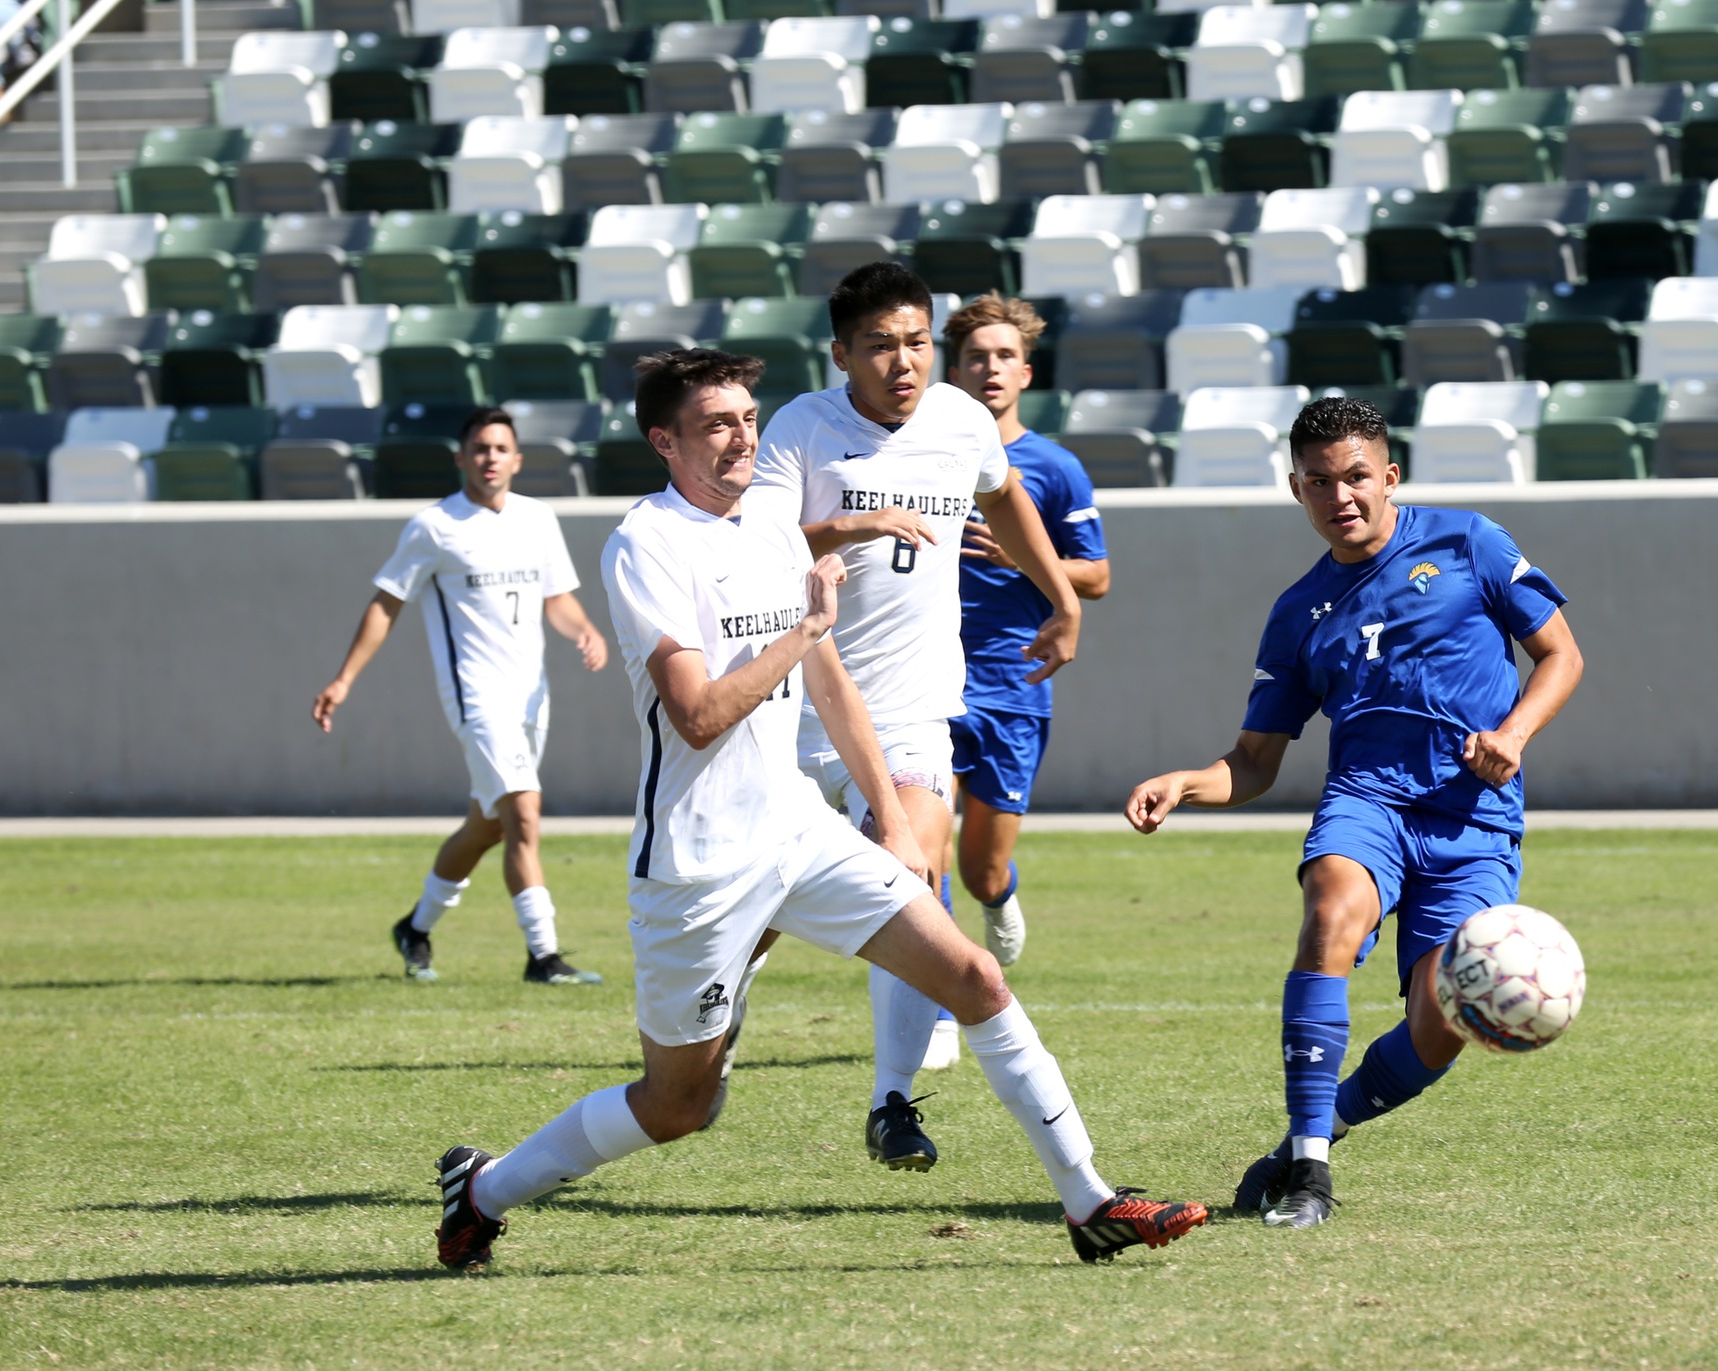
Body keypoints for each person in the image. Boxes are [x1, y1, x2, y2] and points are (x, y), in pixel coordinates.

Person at [432, 347, 1205, 1271]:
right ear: (663, 441)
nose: (741, 437)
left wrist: (888, 812)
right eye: (716, 423)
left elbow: (828, 677)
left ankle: (1091, 1203)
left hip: (798, 830)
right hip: (699, 866)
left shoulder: (767, 515)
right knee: (683, 1105)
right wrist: (805, 629)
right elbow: (700, 713)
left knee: (978, 980)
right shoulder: (644, 542)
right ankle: (481, 1190)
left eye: (748, 418)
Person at [1124, 396, 1586, 1230]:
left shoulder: (1469, 542)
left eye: (1358, 477)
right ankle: (1310, 1171)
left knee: (1442, 1024)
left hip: (1472, 818)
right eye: (1320, 482)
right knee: (1330, 912)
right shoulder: (1297, 612)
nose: (1342, 495)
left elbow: (1562, 652)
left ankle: (1317, 1129)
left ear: (1391, 475)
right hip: (1366, 803)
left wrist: (1514, 733)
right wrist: (1190, 781)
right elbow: (1255, 763)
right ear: (1296, 489)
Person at [750, 262, 1088, 1172]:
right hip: (792, 710)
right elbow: (755, 545)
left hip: (908, 711)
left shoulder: (960, 420)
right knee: (757, 910)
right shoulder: (800, 429)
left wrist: (1059, 592)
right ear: (841, 354)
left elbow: (1002, 490)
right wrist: (851, 526)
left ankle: (892, 1099)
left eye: (916, 341)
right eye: (880, 345)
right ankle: (709, 1023)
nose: (904, 362)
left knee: (914, 872)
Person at [312, 407, 609, 987]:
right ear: (460, 458)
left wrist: (586, 631)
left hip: (531, 698)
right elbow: (387, 603)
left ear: (517, 459)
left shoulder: (537, 519)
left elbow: (558, 600)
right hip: (477, 698)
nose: (490, 457)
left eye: (501, 448)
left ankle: (415, 928)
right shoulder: (434, 527)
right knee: (524, 812)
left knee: (488, 824)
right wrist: (344, 678)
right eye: (479, 448)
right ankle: (543, 956)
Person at [944, 293, 1113, 971]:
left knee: (980, 869)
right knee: (917, 856)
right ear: (951, 372)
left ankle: (997, 897)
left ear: (1026, 374)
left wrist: (1025, 556)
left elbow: (1096, 576)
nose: (990, 368)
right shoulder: (922, 458)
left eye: (1004, 356)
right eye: (976, 357)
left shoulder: (1055, 467)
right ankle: (938, 1003)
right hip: (926, 678)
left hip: (1015, 680)